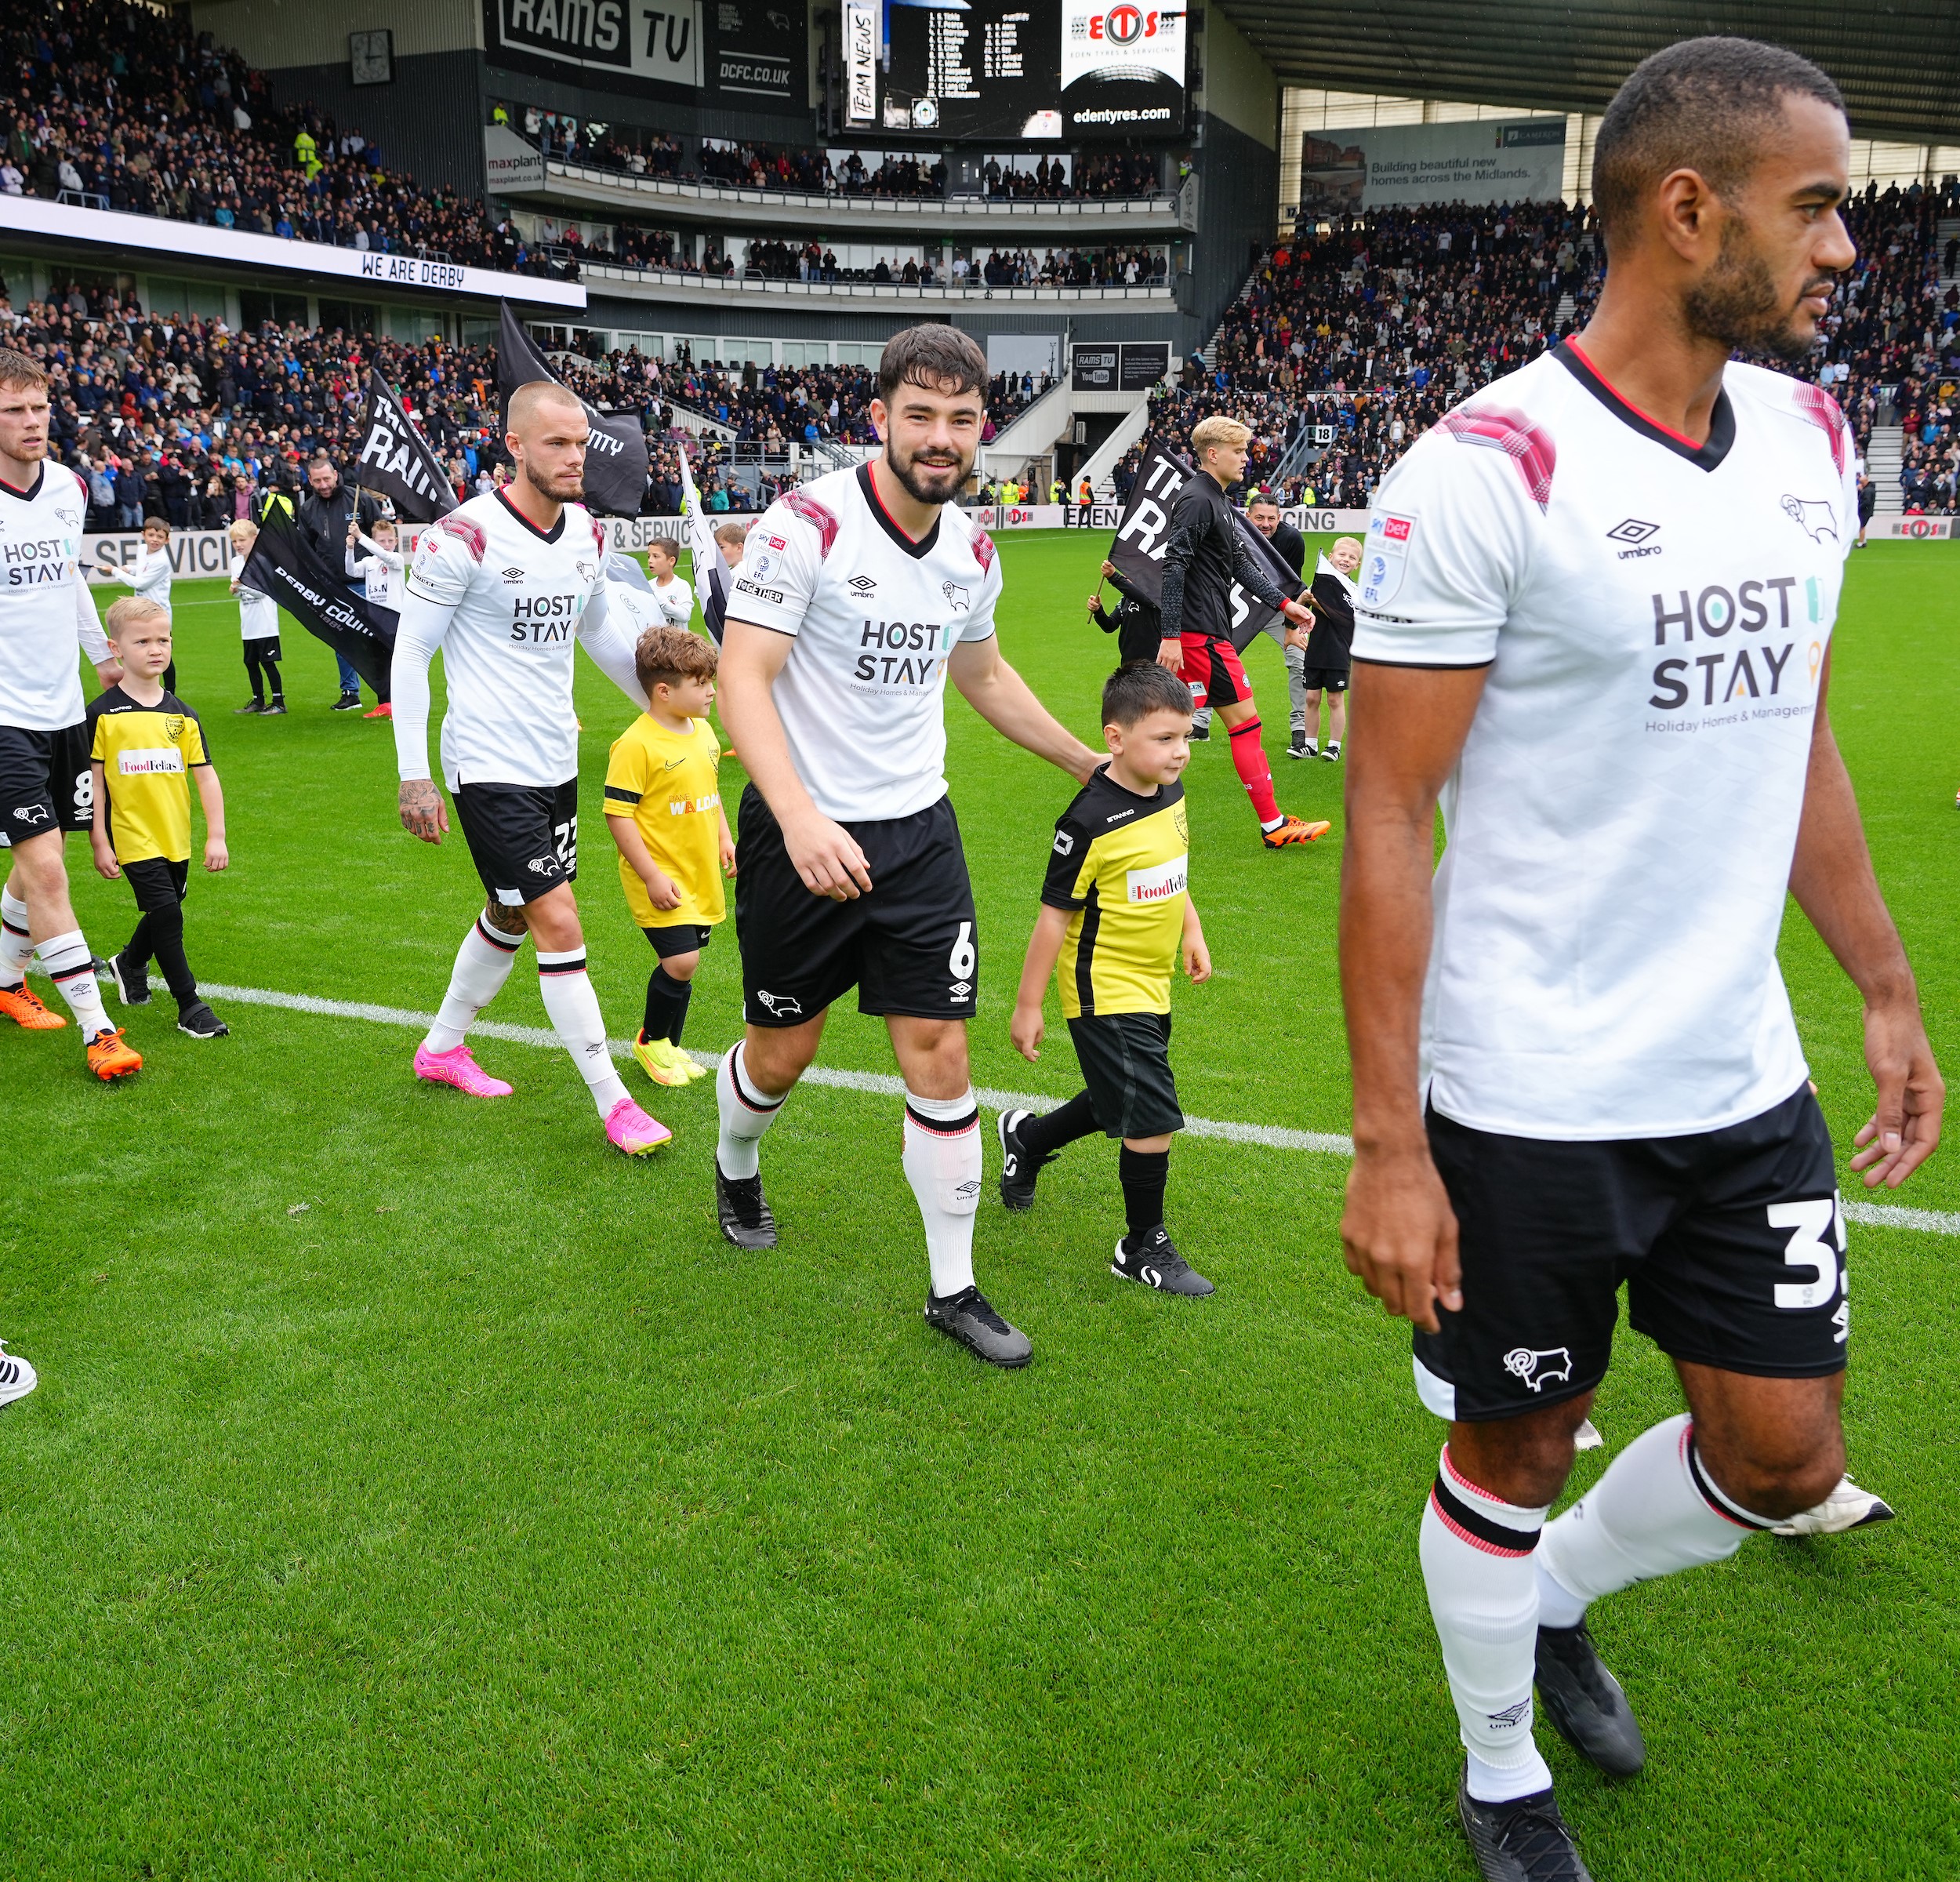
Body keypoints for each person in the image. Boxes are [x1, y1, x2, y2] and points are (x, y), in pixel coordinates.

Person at [1336, 41, 1940, 1881]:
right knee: (1513, 1451)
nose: (1849, 245)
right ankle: (1501, 1766)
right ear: (1692, 209)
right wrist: (1387, 1139)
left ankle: (1557, 1605)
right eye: (1820, 202)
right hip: (1529, 1088)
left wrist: (1886, 984)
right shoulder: (1483, 466)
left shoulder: (1817, 441)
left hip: (1737, 1074)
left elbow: (1800, 737)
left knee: (1775, 1451)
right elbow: (1382, 812)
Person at [714, 325, 1102, 1367]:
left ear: (982, 430)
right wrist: (797, 817)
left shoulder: (973, 549)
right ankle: (736, 1159)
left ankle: (954, 1286)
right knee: (781, 1054)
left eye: (962, 420)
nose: (941, 438)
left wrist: (1080, 760)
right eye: (920, 416)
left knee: (940, 1056)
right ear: (879, 419)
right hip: (802, 829)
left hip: (919, 837)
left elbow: (981, 676)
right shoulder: (805, 528)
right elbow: (739, 676)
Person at [391, 380, 672, 1157]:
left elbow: (601, 632)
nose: (574, 457)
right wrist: (414, 773)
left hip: (552, 759)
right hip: (486, 761)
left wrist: (662, 712)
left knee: (511, 910)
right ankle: (614, 1103)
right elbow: (411, 650)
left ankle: (441, 1049)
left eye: (580, 443)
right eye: (556, 443)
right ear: (514, 446)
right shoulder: (463, 536)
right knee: (558, 918)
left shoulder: (587, 532)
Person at [999, 660, 1215, 1295]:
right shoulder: (1088, 820)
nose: (1180, 753)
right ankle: (1141, 1245)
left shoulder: (1169, 793)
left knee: (1120, 1093)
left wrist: (1191, 929)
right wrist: (1027, 1004)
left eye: (1185, 737)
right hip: (1104, 987)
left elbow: (1175, 865)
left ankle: (1029, 1138)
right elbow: (1052, 920)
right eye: (1164, 739)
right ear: (1115, 739)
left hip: (1153, 979)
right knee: (1152, 1117)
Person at [0, 345, 140, 1078]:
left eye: (39, 408)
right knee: (48, 869)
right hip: (2, 719)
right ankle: (98, 1031)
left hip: (63, 712)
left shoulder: (67, 488)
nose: (31, 423)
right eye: (14, 411)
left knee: (35, 863)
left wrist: (103, 657)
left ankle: (3, 982)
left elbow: (69, 575)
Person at [1157, 419, 1327, 848]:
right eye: (1239, 451)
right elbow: (1173, 564)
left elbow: (1241, 565)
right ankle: (1273, 826)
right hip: (1201, 635)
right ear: (1213, 453)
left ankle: (1126, 799)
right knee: (1244, 725)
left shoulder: (1217, 499)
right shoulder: (1198, 499)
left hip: (1207, 631)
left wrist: (1284, 604)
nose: (1246, 458)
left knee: (1169, 725)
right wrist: (1171, 634)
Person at [89, 598, 230, 1038]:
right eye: (143, 640)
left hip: (176, 835)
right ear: (117, 649)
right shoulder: (103, 714)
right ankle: (190, 1006)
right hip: (130, 835)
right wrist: (99, 839)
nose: (156, 649)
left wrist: (217, 836)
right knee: (168, 914)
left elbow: (206, 778)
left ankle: (129, 963)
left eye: (163, 639)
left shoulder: (181, 714)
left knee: (166, 908)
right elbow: (94, 783)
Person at [604, 624, 734, 1088]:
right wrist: (652, 876)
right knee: (681, 962)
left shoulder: (702, 733)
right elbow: (619, 816)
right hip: (660, 875)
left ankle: (670, 1045)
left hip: (699, 869)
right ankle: (651, 1042)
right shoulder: (636, 745)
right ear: (664, 691)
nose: (712, 692)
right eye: (701, 684)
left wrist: (723, 836)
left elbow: (710, 791)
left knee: (690, 956)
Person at [299, 451, 380, 710]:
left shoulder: (360, 500)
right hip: (331, 586)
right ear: (310, 481)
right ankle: (350, 693)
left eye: (326, 479)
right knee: (342, 640)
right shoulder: (307, 509)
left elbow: (381, 534)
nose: (323, 485)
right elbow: (306, 549)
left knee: (375, 637)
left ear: (335, 475)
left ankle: (387, 690)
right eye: (317, 481)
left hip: (365, 583)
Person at [1246, 490, 1313, 754]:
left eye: (1271, 519)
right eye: (1259, 518)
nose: (1265, 524)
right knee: (1207, 654)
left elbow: (1292, 585)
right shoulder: (1232, 534)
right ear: (1247, 517)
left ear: (1279, 518)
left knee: (1299, 658)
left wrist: (1290, 629)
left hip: (1279, 607)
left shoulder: (1291, 539)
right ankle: (1199, 723)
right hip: (1239, 606)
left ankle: (1300, 729)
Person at [1301, 535, 1360, 761]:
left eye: (1352, 557)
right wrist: (1304, 598)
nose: (1346, 560)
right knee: (1311, 698)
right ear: (1331, 556)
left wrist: (1317, 603)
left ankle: (1334, 746)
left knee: (1335, 700)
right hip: (1315, 648)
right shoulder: (1319, 583)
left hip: (1339, 651)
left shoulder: (1353, 592)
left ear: (1357, 564)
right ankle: (1310, 744)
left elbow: (1345, 620)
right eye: (1342, 555)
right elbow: (1298, 609)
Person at [345, 514, 405, 719]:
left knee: (394, 663)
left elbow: (385, 556)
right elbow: (351, 571)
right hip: (374, 619)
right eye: (382, 540)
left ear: (396, 542)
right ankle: (384, 704)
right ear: (375, 540)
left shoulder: (397, 559)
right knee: (379, 663)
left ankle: (400, 704)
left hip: (394, 619)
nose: (387, 545)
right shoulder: (369, 562)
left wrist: (361, 536)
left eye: (390, 540)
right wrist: (350, 548)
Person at [228, 521, 285, 714]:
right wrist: (235, 589)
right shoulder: (236, 562)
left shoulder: (263, 560)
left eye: (242, 540)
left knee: (268, 663)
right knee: (250, 662)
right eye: (235, 541)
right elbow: (238, 591)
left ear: (255, 539)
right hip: (249, 623)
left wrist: (242, 585)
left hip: (265, 623)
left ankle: (279, 702)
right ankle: (258, 700)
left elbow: (263, 592)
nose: (238, 544)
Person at [126, 516, 175, 692]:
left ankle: (171, 691)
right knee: (141, 650)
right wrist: (130, 568)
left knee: (164, 654)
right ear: (143, 535)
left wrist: (116, 572)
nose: (155, 540)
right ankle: (141, 686)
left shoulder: (162, 561)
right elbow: (142, 571)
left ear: (167, 540)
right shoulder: (142, 550)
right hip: (140, 612)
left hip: (159, 615)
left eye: (160, 537)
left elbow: (141, 583)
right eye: (151, 535)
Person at [1088, 558, 1162, 666]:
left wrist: (1113, 577)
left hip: (1153, 664)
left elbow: (1143, 599)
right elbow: (1109, 625)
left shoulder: (1155, 595)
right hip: (1128, 663)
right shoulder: (1126, 599)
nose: (1125, 578)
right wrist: (1098, 610)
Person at [646, 535, 694, 627]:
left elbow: (685, 616)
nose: (650, 561)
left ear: (671, 561)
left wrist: (660, 600)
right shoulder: (649, 586)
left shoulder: (682, 586)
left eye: (656, 556)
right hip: (654, 640)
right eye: (649, 556)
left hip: (677, 641)